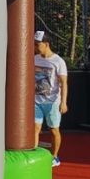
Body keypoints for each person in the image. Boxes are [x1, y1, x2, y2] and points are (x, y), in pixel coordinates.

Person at [33, 30, 68, 167]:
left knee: (54, 130)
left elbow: (64, 83)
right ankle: (34, 155)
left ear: (46, 44)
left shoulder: (58, 61)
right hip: (36, 101)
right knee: (35, 128)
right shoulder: (34, 59)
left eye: (37, 44)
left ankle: (55, 157)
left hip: (52, 102)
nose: (35, 47)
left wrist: (63, 102)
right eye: (34, 44)